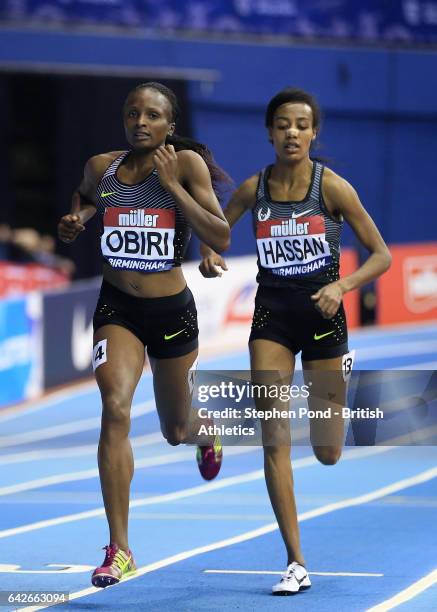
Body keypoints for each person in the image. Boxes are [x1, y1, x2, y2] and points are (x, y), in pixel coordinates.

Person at [199, 87, 391, 595]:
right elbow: (216, 230)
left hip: (324, 313)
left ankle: (336, 388)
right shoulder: (252, 188)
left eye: (301, 125)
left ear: (313, 133)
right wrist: (209, 253)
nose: (292, 133)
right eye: (283, 124)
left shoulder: (333, 189)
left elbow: (381, 255)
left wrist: (342, 285)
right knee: (274, 437)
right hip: (273, 317)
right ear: (269, 131)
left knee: (327, 451)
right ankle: (295, 561)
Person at [57, 82, 231, 588]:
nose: (140, 122)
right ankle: (121, 549)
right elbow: (88, 199)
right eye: (132, 113)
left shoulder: (187, 166)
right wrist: (77, 220)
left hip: (171, 312)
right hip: (118, 308)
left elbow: (219, 235)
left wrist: (173, 185)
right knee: (115, 406)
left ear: (169, 126)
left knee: (175, 430)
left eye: (152, 115)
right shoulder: (101, 166)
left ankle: (205, 431)